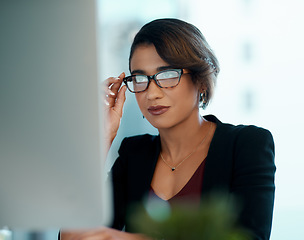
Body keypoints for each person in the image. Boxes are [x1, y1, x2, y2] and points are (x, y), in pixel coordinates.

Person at [60, 18, 276, 240]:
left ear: (201, 80)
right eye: (140, 78)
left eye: (168, 74)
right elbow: (72, 235)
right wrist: (103, 136)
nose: (152, 93)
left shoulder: (247, 144)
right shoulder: (134, 155)